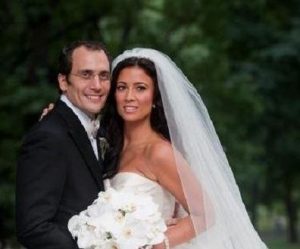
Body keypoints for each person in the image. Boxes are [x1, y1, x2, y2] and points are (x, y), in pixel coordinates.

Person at [100, 48, 268, 248]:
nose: (129, 96)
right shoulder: (109, 147)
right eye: (121, 87)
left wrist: (154, 244)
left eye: (140, 88)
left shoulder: (159, 152)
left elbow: (205, 214)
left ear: (155, 98)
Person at [16, 40, 111, 249]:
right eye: (86, 74)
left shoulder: (99, 130)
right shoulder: (48, 136)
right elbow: (33, 227)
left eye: (104, 75)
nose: (97, 85)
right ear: (63, 81)